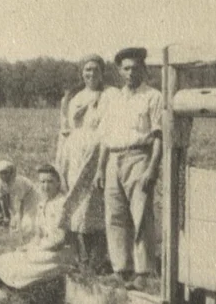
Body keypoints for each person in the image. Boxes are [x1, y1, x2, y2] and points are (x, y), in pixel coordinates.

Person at [93, 47, 163, 291]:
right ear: (119, 72)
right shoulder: (113, 98)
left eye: (135, 68)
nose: (131, 72)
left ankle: (144, 271)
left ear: (143, 69)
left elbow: (158, 136)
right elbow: (106, 137)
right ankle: (120, 269)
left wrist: (152, 168)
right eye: (126, 68)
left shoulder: (153, 97)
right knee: (115, 215)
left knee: (141, 214)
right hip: (113, 158)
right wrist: (101, 169)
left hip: (138, 157)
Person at [0, 164, 74, 290]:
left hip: (58, 254)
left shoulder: (62, 204)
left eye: (50, 181)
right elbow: (38, 235)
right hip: (44, 249)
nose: (45, 186)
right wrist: (28, 246)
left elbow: (60, 239)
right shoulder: (42, 203)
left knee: (22, 262)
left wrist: (36, 248)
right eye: (42, 182)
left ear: (58, 183)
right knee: (13, 256)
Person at [56, 54, 117, 273]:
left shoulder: (110, 95)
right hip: (75, 156)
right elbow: (66, 131)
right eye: (87, 70)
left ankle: (97, 259)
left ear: (102, 72)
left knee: (95, 206)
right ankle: (80, 258)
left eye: (95, 70)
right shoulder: (76, 98)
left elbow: (109, 129)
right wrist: (61, 162)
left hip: (97, 155)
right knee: (76, 206)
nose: (90, 74)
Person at [0, 160, 39, 234]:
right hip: (15, 196)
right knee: (13, 218)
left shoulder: (17, 182)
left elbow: (20, 204)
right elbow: (2, 199)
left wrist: (19, 221)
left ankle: (21, 228)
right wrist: (6, 216)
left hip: (30, 196)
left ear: (10, 172)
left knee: (28, 224)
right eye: (1, 173)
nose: (3, 175)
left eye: (6, 172)